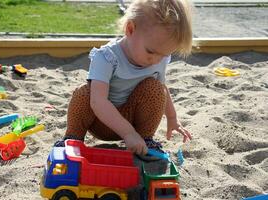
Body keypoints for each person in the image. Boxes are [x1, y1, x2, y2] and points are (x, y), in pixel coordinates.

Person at [55, 0, 193, 157]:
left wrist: (172, 118)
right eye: (151, 52)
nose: (156, 61)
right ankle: (72, 139)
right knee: (84, 93)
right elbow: (98, 102)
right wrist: (128, 133)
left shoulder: (158, 57)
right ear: (130, 29)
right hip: (100, 119)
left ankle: (145, 139)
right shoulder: (107, 57)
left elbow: (163, 89)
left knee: (155, 88)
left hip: (134, 121)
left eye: (166, 54)